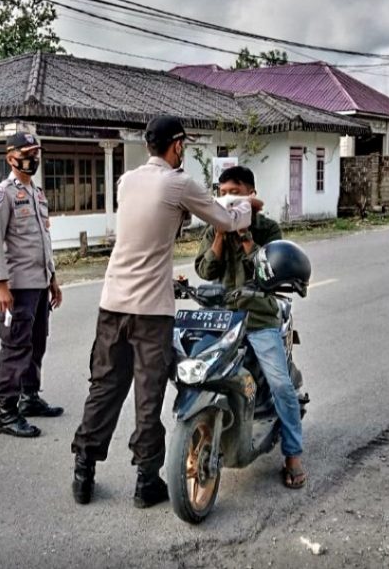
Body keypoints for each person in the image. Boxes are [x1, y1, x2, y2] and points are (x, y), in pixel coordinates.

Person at [70, 116, 258, 508]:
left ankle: (83, 474)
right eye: (183, 146)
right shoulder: (178, 182)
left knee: (104, 387)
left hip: (112, 302)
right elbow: (224, 218)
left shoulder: (127, 181)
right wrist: (247, 204)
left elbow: (147, 233)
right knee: (147, 394)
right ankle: (145, 483)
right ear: (176, 147)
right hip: (151, 311)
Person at [193, 166, 307, 488]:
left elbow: (267, 271)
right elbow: (204, 269)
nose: (229, 198)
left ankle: (293, 454)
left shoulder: (268, 228)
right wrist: (219, 232)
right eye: (224, 192)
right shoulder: (214, 227)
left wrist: (244, 234)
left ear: (251, 195)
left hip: (258, 317)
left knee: (281, 385)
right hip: (221, 317)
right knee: (196, 371)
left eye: (236, 192)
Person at [0, 131, 64, 438]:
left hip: (40, 283)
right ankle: (6, 412)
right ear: (11, 158)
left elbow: (44, 241)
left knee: (37, 342)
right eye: (27, 153)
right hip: (17, 286)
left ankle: (29, 397)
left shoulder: (38, 193)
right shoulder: (2, 195)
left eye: (36, 153)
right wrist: (0, 285)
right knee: (16, 347)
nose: (33, 159)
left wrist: (53, 279)